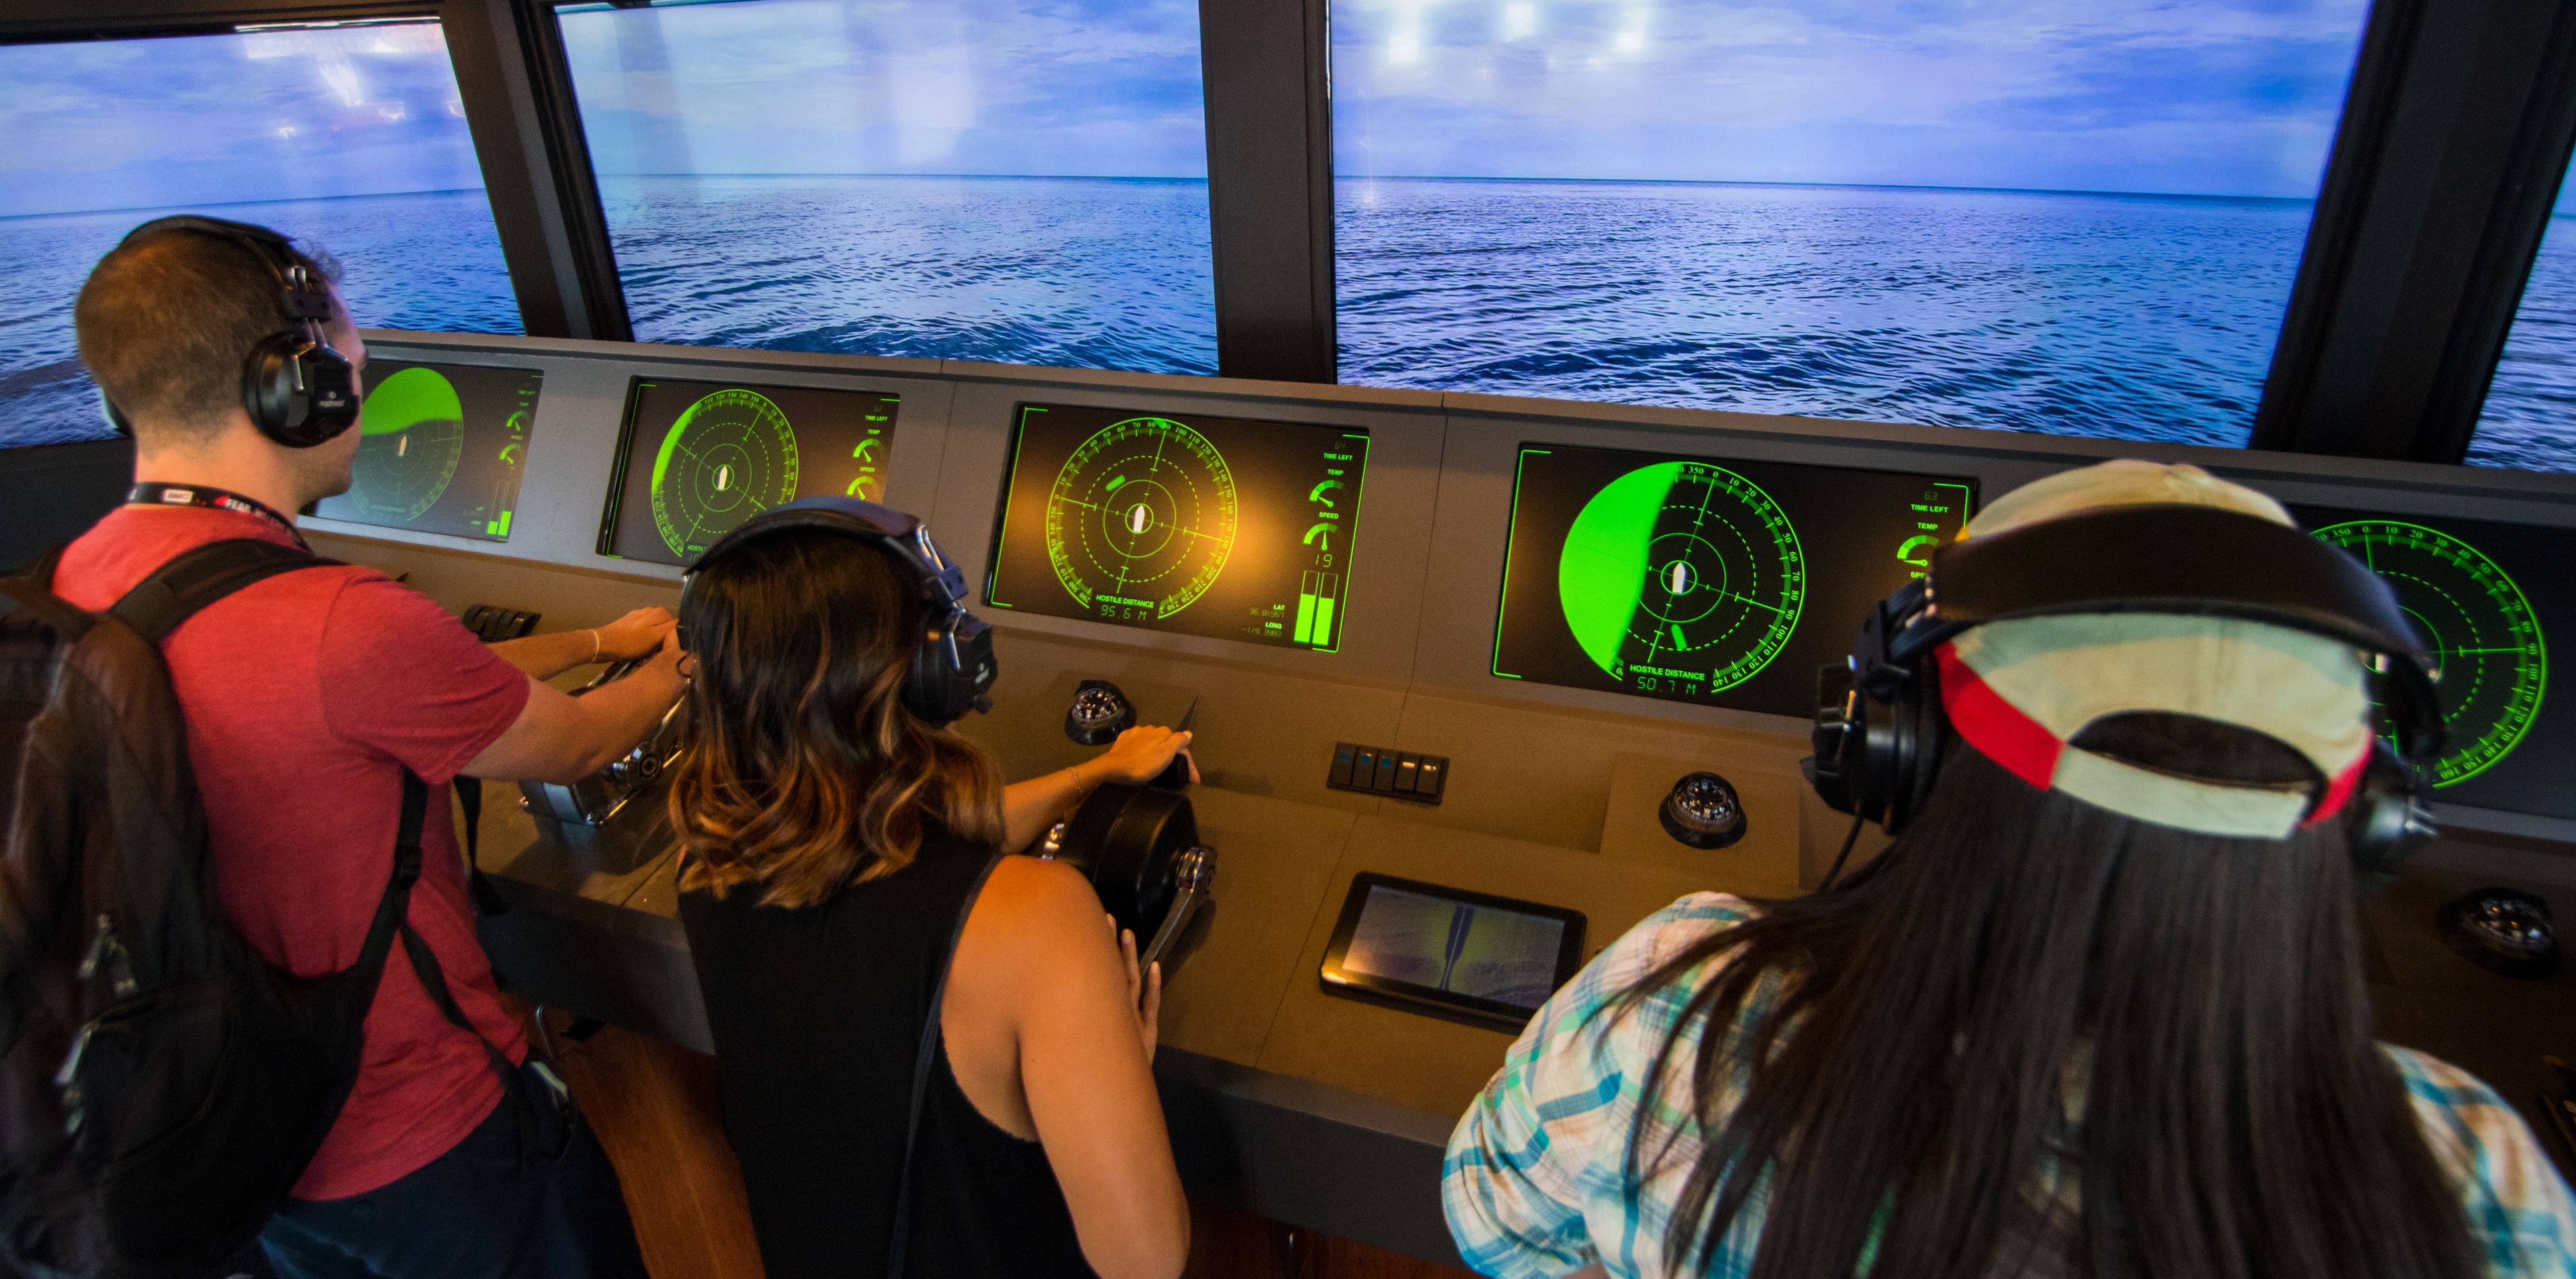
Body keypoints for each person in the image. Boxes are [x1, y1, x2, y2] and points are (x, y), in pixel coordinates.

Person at [1444, 461, 2576, 1279]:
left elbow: (1493, 1225)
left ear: (1895, 748)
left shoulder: (1680, 1016)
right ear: (2364, 821)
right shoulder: (2474, 1175)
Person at [52, 217, 690, 1278]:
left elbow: (415, 679)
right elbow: (575, 746)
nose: (363, 393)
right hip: (418, 1141)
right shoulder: (344, 622)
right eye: (355, 367)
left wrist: (595, 639)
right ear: (295, 391)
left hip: (228, 1133)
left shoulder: (78, 579)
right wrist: (692, 658)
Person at [669, 505, 1193, 1279]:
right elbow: (1148, 1259)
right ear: (927, 671)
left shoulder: (711, 863)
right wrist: (1115, 1069)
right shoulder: (1040, 918)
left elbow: (901, 848)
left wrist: (1093, 773)